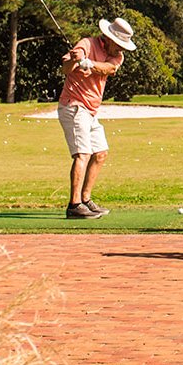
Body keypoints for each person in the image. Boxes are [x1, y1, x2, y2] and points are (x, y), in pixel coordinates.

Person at [57, 17, 136, 219]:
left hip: (91, 111)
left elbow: (109, 69)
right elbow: (66, 69)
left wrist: (88, 64)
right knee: (82, 154)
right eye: (119, 45)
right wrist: (76, 60)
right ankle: (74, 205)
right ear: (109, 39)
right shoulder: (86, 44)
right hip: (74, 105)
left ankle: (85, 199)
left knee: (100, 153)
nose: (121, 50)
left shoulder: (117, 56)